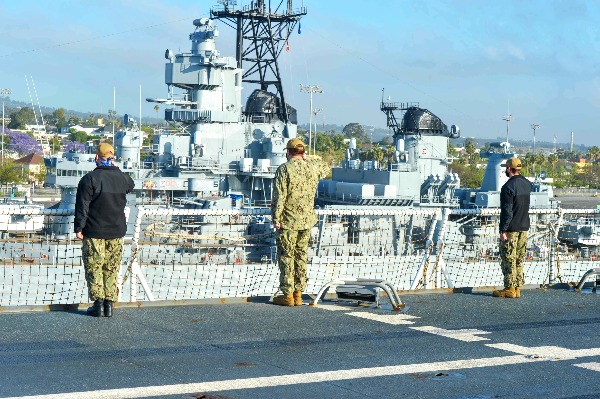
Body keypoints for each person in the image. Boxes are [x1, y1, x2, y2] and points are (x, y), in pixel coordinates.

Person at [74, 143, 135, 317]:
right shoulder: (123, 178)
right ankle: (109, 304)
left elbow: (82, 206)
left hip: (94, 231)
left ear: (96, 158)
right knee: (112, 267)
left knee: (94, 266)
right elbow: (131, 185)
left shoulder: (90, 179)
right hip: (116, 231)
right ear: (113, 158)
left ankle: (98, 304)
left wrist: (79, 227)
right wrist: (116, 169)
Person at [271, 138, 328, 306]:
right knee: (301, 256)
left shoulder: (284, 169)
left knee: (286, 257)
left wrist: (276, 218)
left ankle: (287, 295)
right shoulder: (312, 167)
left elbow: (279, 196)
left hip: (288, 221)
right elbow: (325, 167)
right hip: (306, 221)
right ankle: (298, 294)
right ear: (302, 153)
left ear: (288, 152)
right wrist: (308, 158)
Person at [493, 157, 532, 298]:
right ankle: (517, 288)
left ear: (509, 168)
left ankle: (509, 288)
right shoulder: (527, 184)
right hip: (524, 227)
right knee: (519, 258)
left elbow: (507, 211)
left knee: (508, 257)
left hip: (512, 229)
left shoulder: (508, 187)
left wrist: (503, 230)